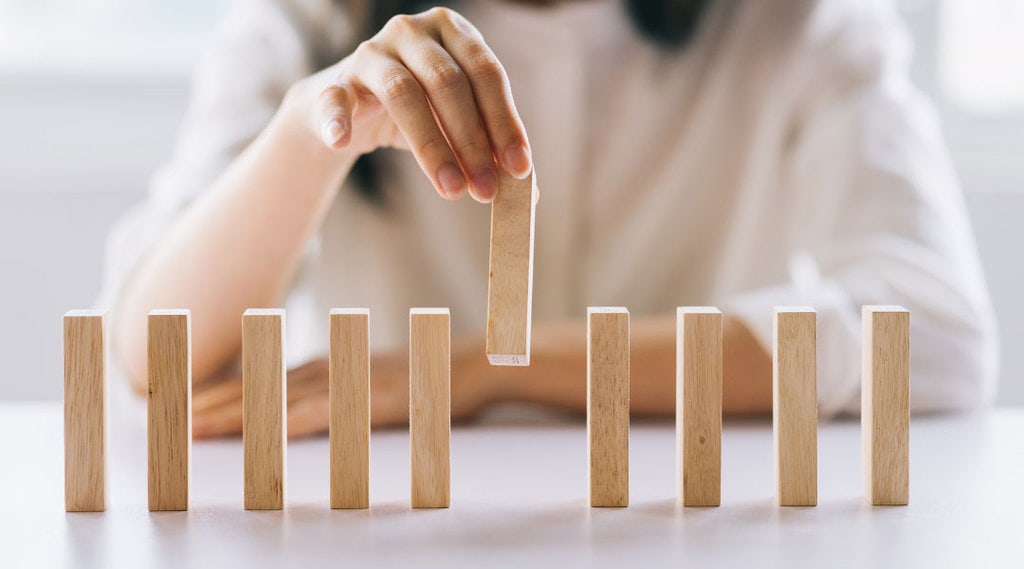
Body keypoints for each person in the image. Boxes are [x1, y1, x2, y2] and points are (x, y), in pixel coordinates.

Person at [99, 0, 998, 438]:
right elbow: (154, 354)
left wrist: (485, 367)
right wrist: (309, 137)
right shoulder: (306, 20)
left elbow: (940, 334)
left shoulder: (798, 23)